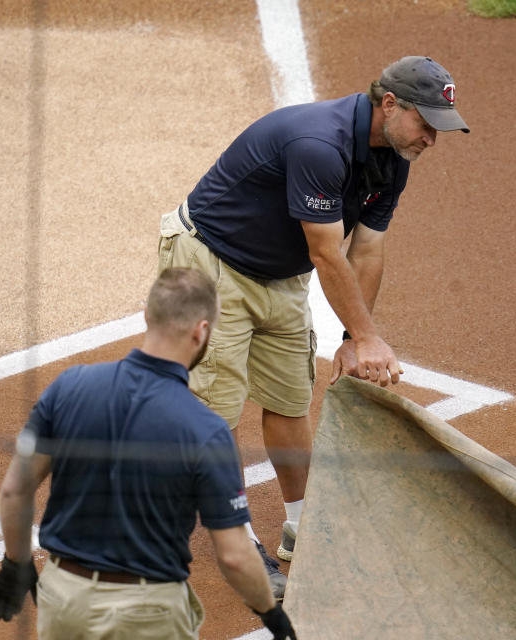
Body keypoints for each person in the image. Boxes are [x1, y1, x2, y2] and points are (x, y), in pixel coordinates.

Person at [157, 56, 470, 593]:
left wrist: (354, 338)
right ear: (390, 104)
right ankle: (236, 545)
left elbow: (366, 248)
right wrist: (370, 337)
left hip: (279, 276)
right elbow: (327, 252)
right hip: (210, 265)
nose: (431, 141)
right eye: (427, 125)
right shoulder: (318, 144)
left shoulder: (394, 157)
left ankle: (305, 526)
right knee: (217, 408)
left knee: (289, 399)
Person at [0, 267, 296, 639]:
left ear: (148, 315)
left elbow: (14, 491)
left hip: (63, 599)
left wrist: (16, 564)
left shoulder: (68, 387)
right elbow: (233, 556)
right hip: (148, 614)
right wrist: (272, 617)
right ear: (201, 331)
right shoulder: (206, 429)